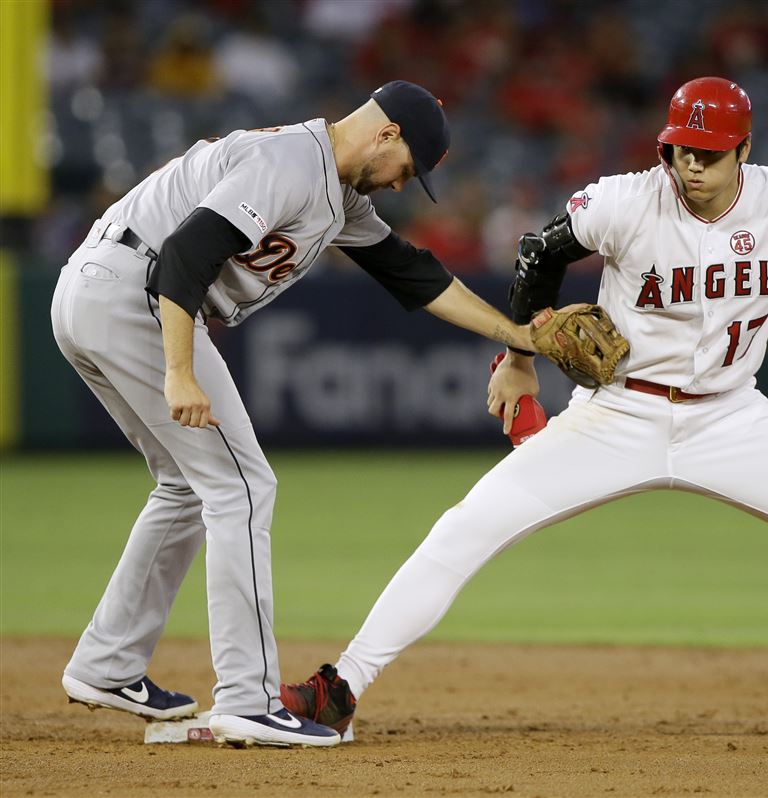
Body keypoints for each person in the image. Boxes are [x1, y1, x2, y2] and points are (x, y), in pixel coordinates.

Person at [282, 77, 768, 746]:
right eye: (680, 149)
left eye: (709, 152)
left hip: (733, 421)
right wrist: (521, 360)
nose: (689, 164)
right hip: (616, 415)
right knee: (465, 527)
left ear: (743, 151)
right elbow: (539, 252)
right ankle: (341, 688)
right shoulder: (627, 201)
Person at [52, 80, 540, 748]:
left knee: (187, 487)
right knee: (244, 486)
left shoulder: (338, 195)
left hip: (97, 292)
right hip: (136, 291)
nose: (404, 185)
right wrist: (178, 370)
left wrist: (520, 337)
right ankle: (247, 698)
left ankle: (108, 664)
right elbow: (186, 257)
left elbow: (413, 274)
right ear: (387, 134)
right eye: (409, 169)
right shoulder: (289, 163)